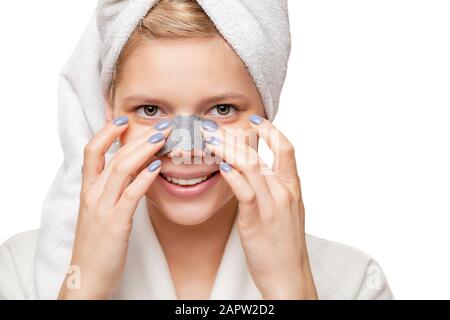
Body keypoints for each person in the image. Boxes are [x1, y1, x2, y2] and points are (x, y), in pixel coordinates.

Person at [0, 0, 393, 300]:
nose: (186, 149)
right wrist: (82, 284)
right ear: (109, 112)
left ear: (266, 113)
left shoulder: (354, 281)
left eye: (222, 110)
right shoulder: (17, 271)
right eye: (150, 110)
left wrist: (291, 286)